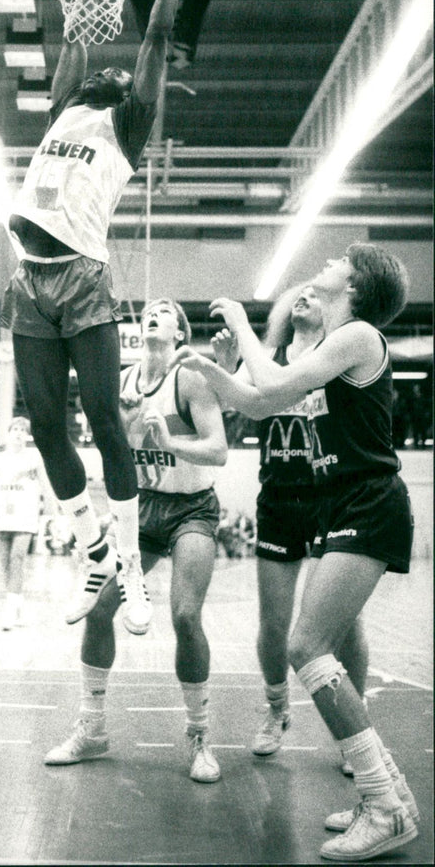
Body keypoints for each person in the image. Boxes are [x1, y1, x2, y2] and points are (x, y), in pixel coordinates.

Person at [174, 244, 420, 860]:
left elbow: (274, 380)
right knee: (307, 643)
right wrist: (210, 370)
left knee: (306, 646)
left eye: (341, 259)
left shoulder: (359, 335)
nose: (327, 261)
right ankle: (388, 794)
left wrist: (238, 325)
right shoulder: (324, 349)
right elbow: (260, 402)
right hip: (342, 504)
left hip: (370, 501)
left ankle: (384, 805)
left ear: (357, 285)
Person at [0, 0, 181, 636]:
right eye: (97, 68)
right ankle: (95, 551)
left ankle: (130, 568)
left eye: (118, 70)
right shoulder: (63, 113)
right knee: (47, 427)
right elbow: (74, 38)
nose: (108, 68)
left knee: (105, 420)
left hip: (81, 277)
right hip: (29, 279)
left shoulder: (127, 122)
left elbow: (157, 37)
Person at [45, 296, 227, 784]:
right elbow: (111, 454)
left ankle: (199, 734)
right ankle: (92, 727)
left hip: (191, 507)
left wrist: (170, 442)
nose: (154, 311)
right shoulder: (121, 381)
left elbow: (219, 449)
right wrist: (124, 427)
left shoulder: (189, 377)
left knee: (185, 614)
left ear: (180, 333)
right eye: (150, 309)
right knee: (102, 608)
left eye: (165, 310)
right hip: (142, 509)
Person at [212, 283, 369, 768]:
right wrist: (226, 365)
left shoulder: (336, 354)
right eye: (297, 294)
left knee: (345, 626)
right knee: (274, 623)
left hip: (329, 498)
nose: (304, 297)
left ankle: (354, 723)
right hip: (278, 499)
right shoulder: (268, 355)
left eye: (314, 294)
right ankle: (277, 710)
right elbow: (223, 414)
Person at [0, 417, 57, 630]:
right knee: (5, 564)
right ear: (8, 433)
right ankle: (18, 605)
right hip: (3, 518)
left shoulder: (34, 458)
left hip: (26, 518)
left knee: (17, 558)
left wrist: (56, 516)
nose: (18, 432)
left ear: (27, 435)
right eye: (15, 428)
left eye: (23, 430)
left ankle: (9, 611)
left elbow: (47, 488)